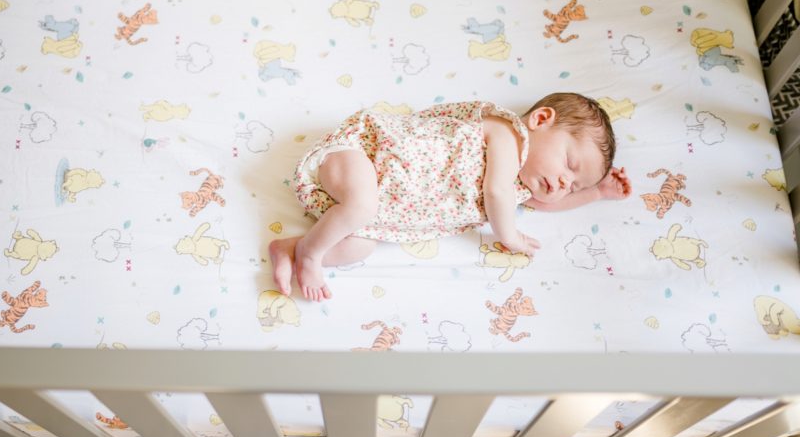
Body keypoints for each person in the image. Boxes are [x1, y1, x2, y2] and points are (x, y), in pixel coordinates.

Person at [269, 93, 632, 301]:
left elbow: (544, 203)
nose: (564, 183)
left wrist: (596, 193)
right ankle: (310, 255)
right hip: (361, 156)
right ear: (540, 120)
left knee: (358, 248)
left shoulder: (521, 188)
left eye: (573, 185)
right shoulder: (507, 134)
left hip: (359, 206)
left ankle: (291, 248)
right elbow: (496, 192)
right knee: (362, 205)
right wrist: (510, 237)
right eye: (569, 164)